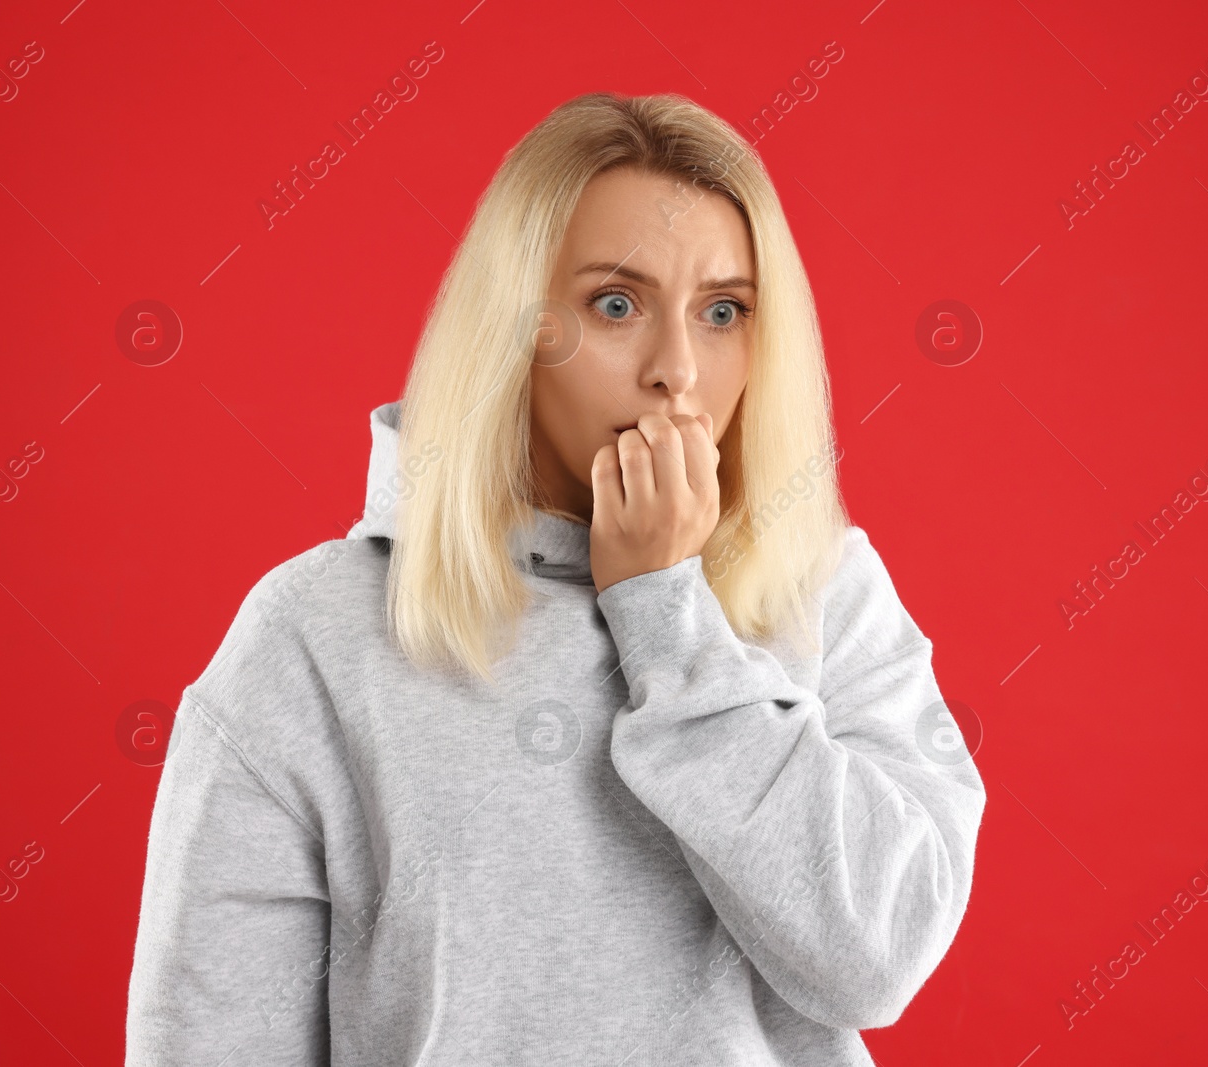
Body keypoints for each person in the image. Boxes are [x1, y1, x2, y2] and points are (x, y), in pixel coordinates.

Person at [125, 91, 986, 1066]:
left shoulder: (830, 595)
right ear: (517, 325)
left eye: (723, 312)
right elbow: (210, 1040)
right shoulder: (314, 635)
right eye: (615, 304)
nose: (676, 369)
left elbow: (874, 961)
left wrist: (666, 614)